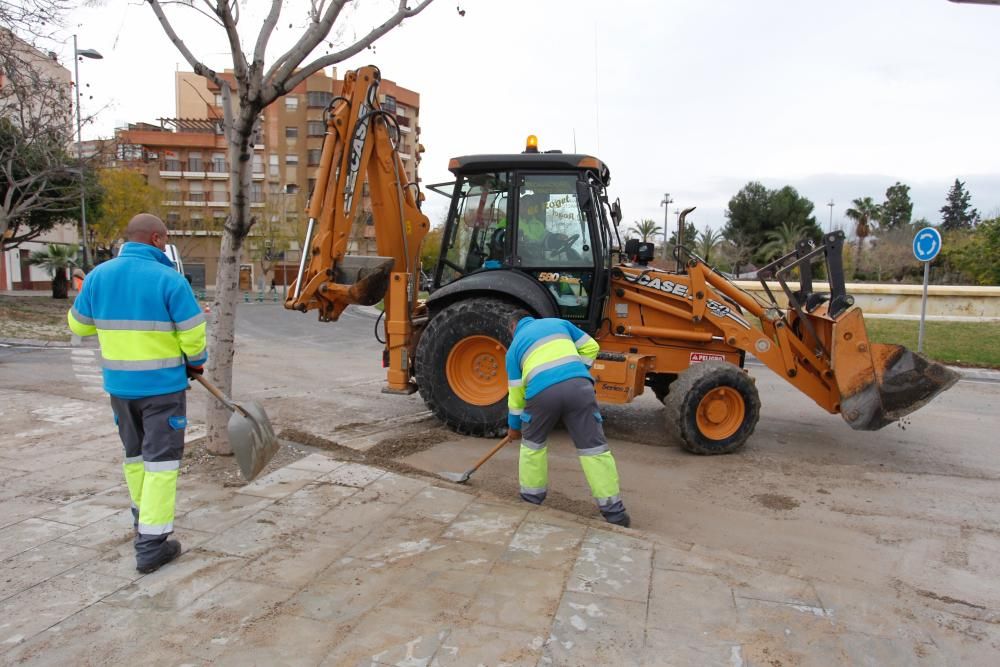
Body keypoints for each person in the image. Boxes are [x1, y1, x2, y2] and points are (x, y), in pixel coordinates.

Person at [68, 213, 207, 574]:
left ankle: (140, 518)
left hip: (120, 389)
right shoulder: (169, 280)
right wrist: (196, 362)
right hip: (163, 390)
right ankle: (151, 546)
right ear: (157, 239)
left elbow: (77, 325)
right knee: (161, 463)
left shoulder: (98, 276)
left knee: (134, 456)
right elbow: (192, 334)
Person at [505, 315, 630, 527]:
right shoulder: (559, 323)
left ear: (513, 328)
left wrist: (515, 427)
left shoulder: (514, 348)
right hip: (579, 388)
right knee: (594, 449)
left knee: (533, 446)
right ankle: (615, 513)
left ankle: (531, 500)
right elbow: (591, 346)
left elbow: (516, 396)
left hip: (541, 394)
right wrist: (576, 371)